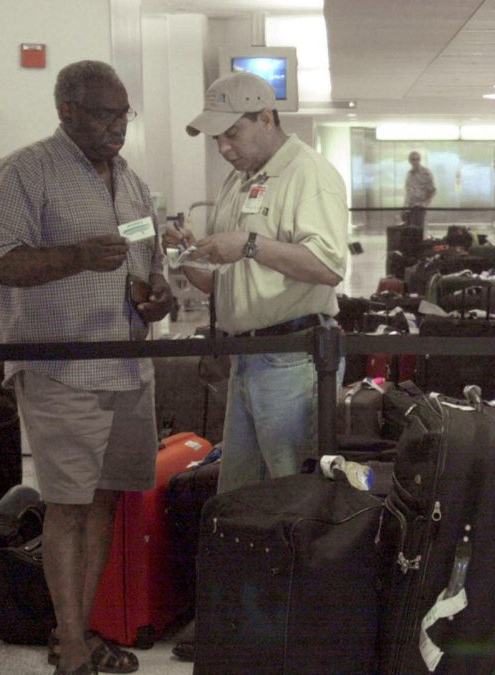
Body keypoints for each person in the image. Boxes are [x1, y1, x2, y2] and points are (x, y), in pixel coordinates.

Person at [0, 60, 171, 675]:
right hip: (62, 368)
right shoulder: (25, 170)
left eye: (123, 115)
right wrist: (77, 257)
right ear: (67, 110)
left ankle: (79, 633)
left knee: (107, 500)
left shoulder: (131, 180)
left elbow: (148, 254)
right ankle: (69, 648)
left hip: (127, 365)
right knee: (68, 505)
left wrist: (157, 293)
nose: (117, 127)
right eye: (103, 114)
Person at [164, 69, 348, 664]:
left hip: (293, 358)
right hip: (249, 358)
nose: (223, 147)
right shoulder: (241, 181)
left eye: (231, 133)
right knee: (240, 497)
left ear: (266, 118)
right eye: (216, 138)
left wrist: (245, 244)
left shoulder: (308, 174)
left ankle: (298, 630)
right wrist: (187, 257)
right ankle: (242, 623)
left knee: (294, 498)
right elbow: (228, 277)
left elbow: (326, 265)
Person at [403, 151, 435, 228]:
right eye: (413, 159)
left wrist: (424, 204)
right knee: (408, 230)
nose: (415, 161)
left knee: (418, 229)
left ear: (420, 160)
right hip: (409, 206)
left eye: (417, 159)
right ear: (410, 161)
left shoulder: (425, 172)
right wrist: (404, 208)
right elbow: (408, 192)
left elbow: (432, 190)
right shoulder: (409, 174)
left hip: (420, 207)